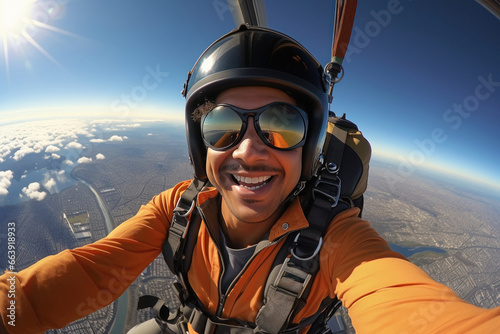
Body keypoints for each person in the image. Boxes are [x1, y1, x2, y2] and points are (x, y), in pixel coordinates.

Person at [1, 25, 499, 334]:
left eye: (282, 124)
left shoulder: (337, 236)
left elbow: (408, 303)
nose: (249, 149)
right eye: (222, 125)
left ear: (311, 148)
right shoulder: (177, 208)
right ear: (201, 144)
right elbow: (85, 273)